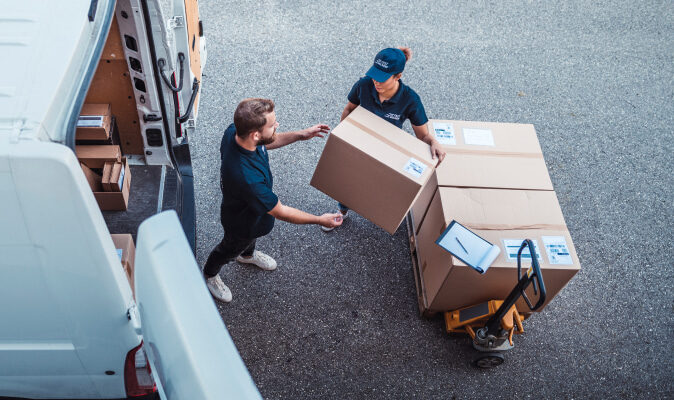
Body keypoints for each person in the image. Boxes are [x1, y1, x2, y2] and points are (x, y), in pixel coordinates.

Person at [204, 98, 343, 302]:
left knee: (249, 240)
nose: (277, 126)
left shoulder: (235, 132)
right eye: (272, 125)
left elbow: (267, 142)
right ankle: (210, 274)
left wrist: (300, 134)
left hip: (254, 214)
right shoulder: (249, 180)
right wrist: (320, 220)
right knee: (229, 248)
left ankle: (247, 256)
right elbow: (281, 211)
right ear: (255, 134)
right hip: (241, 223)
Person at [322, 47, 447, 232]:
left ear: (398, 76)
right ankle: (342, 209)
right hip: (360, 142)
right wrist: (343, 135)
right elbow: (349, 109)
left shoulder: (410, 100)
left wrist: (434, 142)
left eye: (382, 78)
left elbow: (422, 135)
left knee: (379, 183)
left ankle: (379, 212)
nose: (376, 81)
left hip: (387, 148)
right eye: (374, 74)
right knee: (350, 178)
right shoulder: (364, 85)